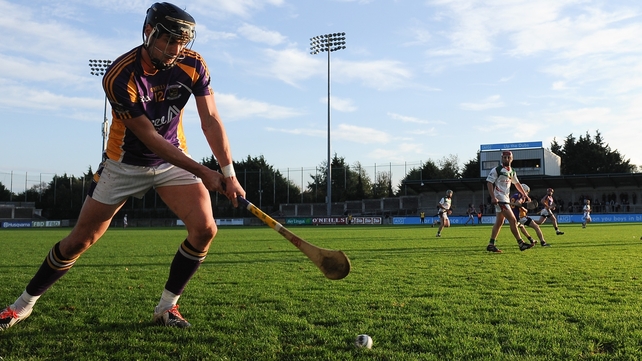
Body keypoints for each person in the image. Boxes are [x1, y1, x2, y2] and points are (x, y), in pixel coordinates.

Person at [0, 2, 245, 331]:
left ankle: (167, 308)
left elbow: (211, 120)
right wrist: (204, 171)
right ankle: (21, 306)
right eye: (168, 40)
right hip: (123, 163)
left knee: (205, 230)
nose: (175, 49)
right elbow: (148, 138)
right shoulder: (120, 75)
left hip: (173, 158)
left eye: (181, 42)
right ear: (149, 33)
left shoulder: (194, 64)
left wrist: (228, 173)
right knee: (79, 241)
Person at [485, 151, 533, 253]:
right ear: (502, 158)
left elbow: (517, 184)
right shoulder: (497, 170)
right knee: (513, 220)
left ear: (512, 158)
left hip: (505, 198)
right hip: (500, 198)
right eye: (504, 157)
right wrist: (493, 197)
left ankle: (491, 244)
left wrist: (524, 194)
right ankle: (521, 243)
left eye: (508, 157)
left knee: (499, 222)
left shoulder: (512, 171)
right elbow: (489, 183)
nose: (506, 159)